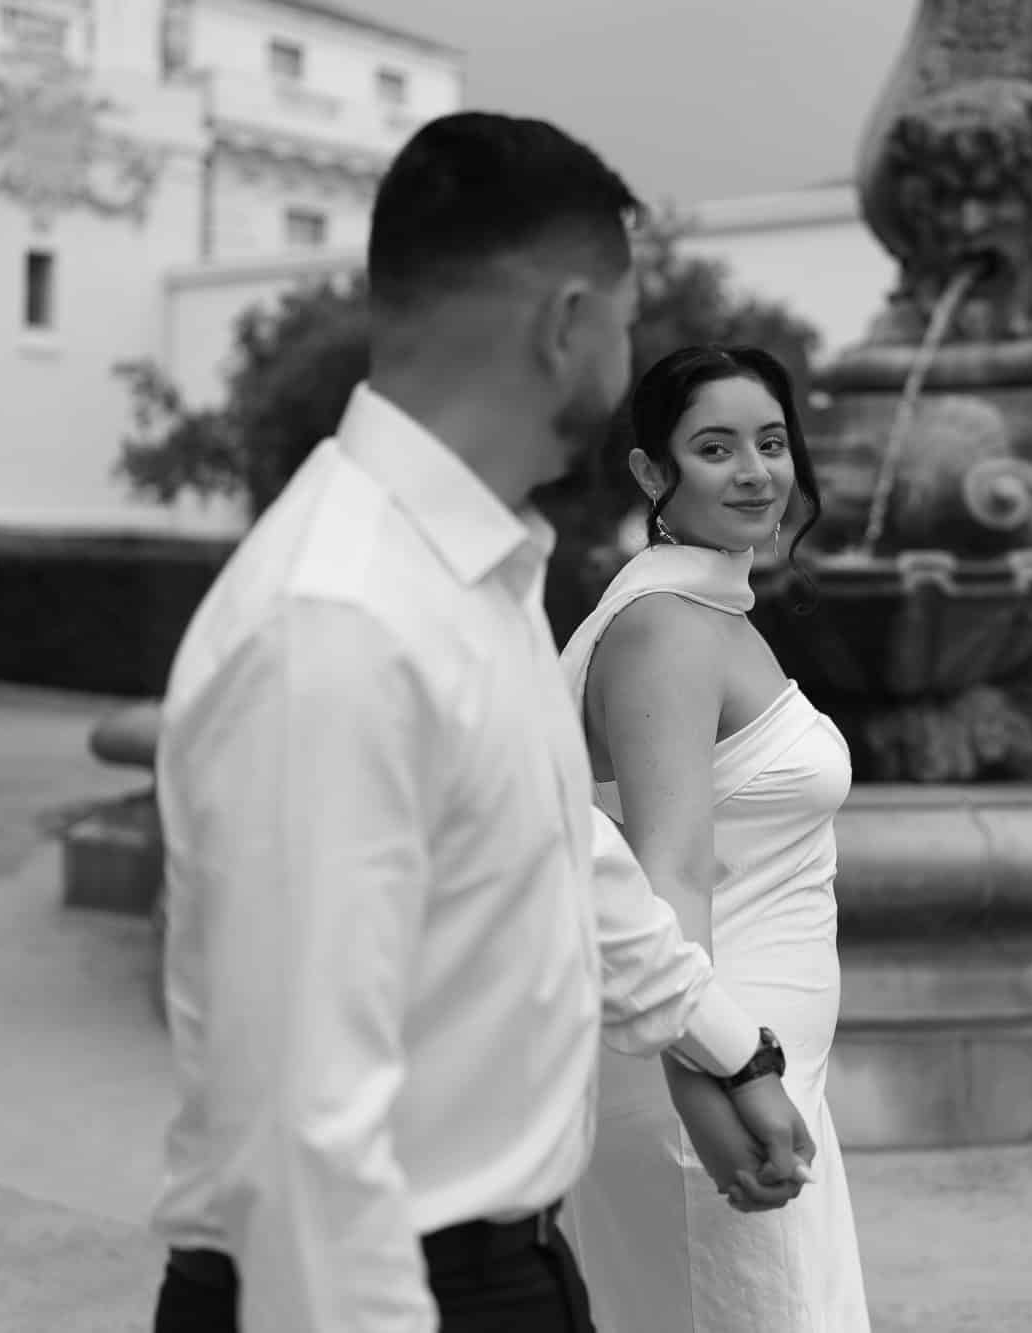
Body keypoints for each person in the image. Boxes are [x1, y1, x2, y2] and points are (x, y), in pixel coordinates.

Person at [146, 114, 817, 1333]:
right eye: (622, 321)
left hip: (504, 1259)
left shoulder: (473, 569)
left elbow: (577, 861)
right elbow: (308, 1139)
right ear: (565, 324)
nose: (626, 360)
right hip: (381, 1280)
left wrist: (728, 1048)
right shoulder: (334, 621)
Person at [557, 345, 873, 1331]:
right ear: (654, 474)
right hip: (708, 1093)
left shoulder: (707, 606)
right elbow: (670, 875)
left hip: (756, 1073)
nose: (754, 470)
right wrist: (717, 1094)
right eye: (714, 446)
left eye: (771, 442)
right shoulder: (664, 631)